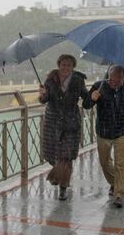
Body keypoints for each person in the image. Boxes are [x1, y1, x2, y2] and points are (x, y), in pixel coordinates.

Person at [83, 65, 124, 208]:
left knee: (120, 163)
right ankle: (116, 182)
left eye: (117, 81)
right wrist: (92, 99)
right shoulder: (99, 86)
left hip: (122, 131)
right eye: (111, 80)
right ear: (108, 76)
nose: (113, 83)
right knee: (104, 163)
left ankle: (118, 194)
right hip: (103, 131)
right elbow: (86, 105)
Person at [38, 54, 90, 201]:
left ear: (73, 67)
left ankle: (63, 188)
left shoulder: (78, 81)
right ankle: (58, 175)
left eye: (69, 65)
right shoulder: (51, 80)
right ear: (59, 65)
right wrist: (42, 95)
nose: (65, 67)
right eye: (63, 64)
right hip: (52, 122)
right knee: (52, 156)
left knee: (66, 156)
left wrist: (93, 96)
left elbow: (86, 98)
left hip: (70, 122)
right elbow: (44, 100)